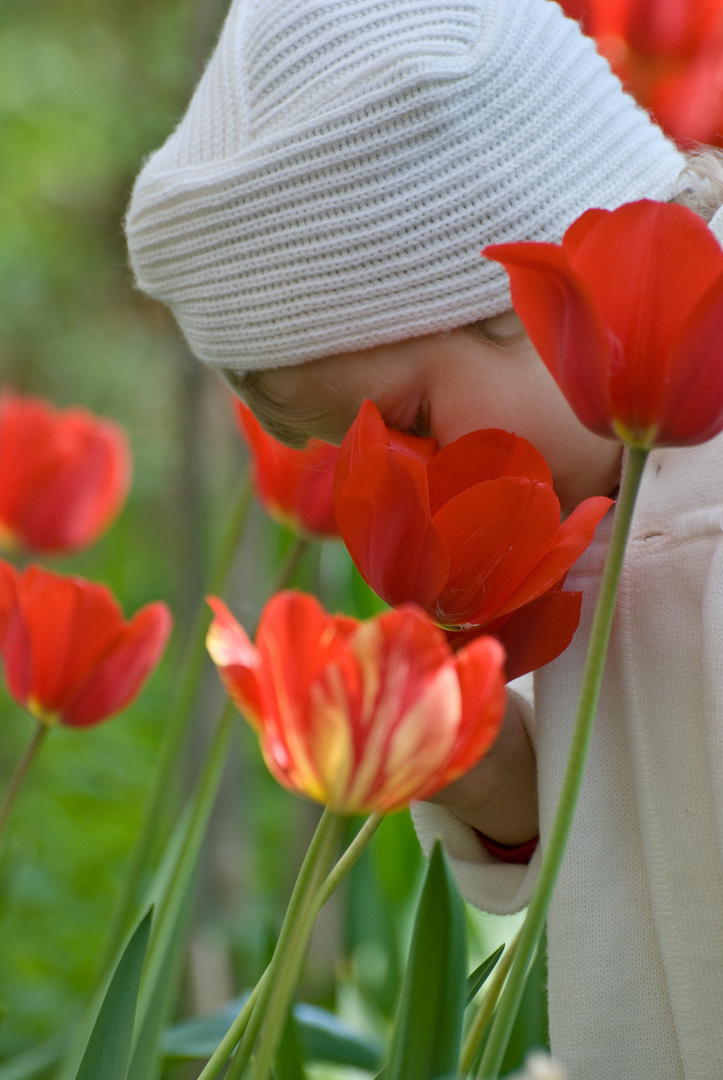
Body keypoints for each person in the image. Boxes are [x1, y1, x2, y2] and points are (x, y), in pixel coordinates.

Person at [124, 1, 723, 1076]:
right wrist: (493, 778)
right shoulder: (592, 502)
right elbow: (618, 843)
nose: (407, 487)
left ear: (528, 285)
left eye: (405, 424)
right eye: (344, 458)